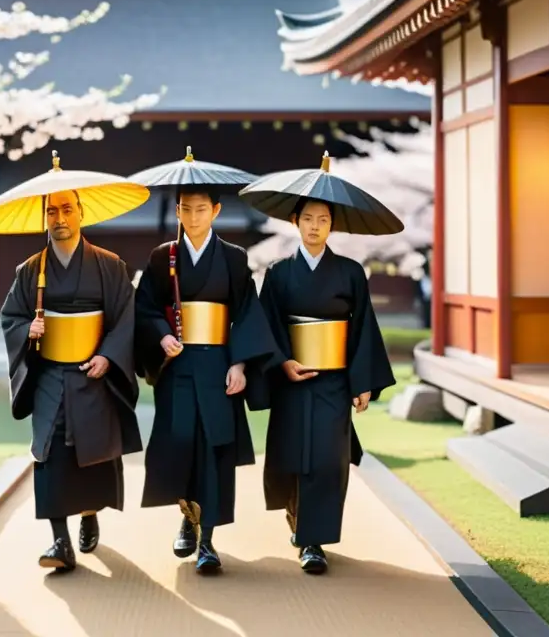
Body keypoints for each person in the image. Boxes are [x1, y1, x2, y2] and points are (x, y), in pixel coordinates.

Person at [135, 188, 277, 574]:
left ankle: (209, 541)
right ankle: (187, 516)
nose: (193, 217)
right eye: (185, 209)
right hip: (177, 364)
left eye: (201, 209)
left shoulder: (232, 258)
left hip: (218, 364)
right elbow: (145, 305)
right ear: (177, 210)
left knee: (215, 449)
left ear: (215, 210)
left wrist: (241, 363)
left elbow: (246, 311)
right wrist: (162, 334)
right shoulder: (162, 257)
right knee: (180, 442)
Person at [0, 189, 142, 572]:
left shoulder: (109, 265)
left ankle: (89, 512)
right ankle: (59, 540)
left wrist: (109, 356)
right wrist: (26, 329)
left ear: (81, 212)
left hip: (93, 372)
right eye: (51, 211)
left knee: (93, 452)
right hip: (48, 372)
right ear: (44, 217)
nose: (59, 218)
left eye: (66, 209)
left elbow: (126, 317)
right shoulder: (31, 270)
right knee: (49, 452)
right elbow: (11, 317)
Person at [258, 197, 396, 575]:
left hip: (334, 379)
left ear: (332, 224)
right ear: (294, 221)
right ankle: (297, 517)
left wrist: (361, 381)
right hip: (292, 378)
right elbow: (266, 324)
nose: (315, 226)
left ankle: (313, 541)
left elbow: (363, 327)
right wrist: (282, 361)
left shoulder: (351, 272)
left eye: (323, 219)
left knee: (327, 459)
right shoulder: (279, 272)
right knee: (293, 454)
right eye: (307, 218)